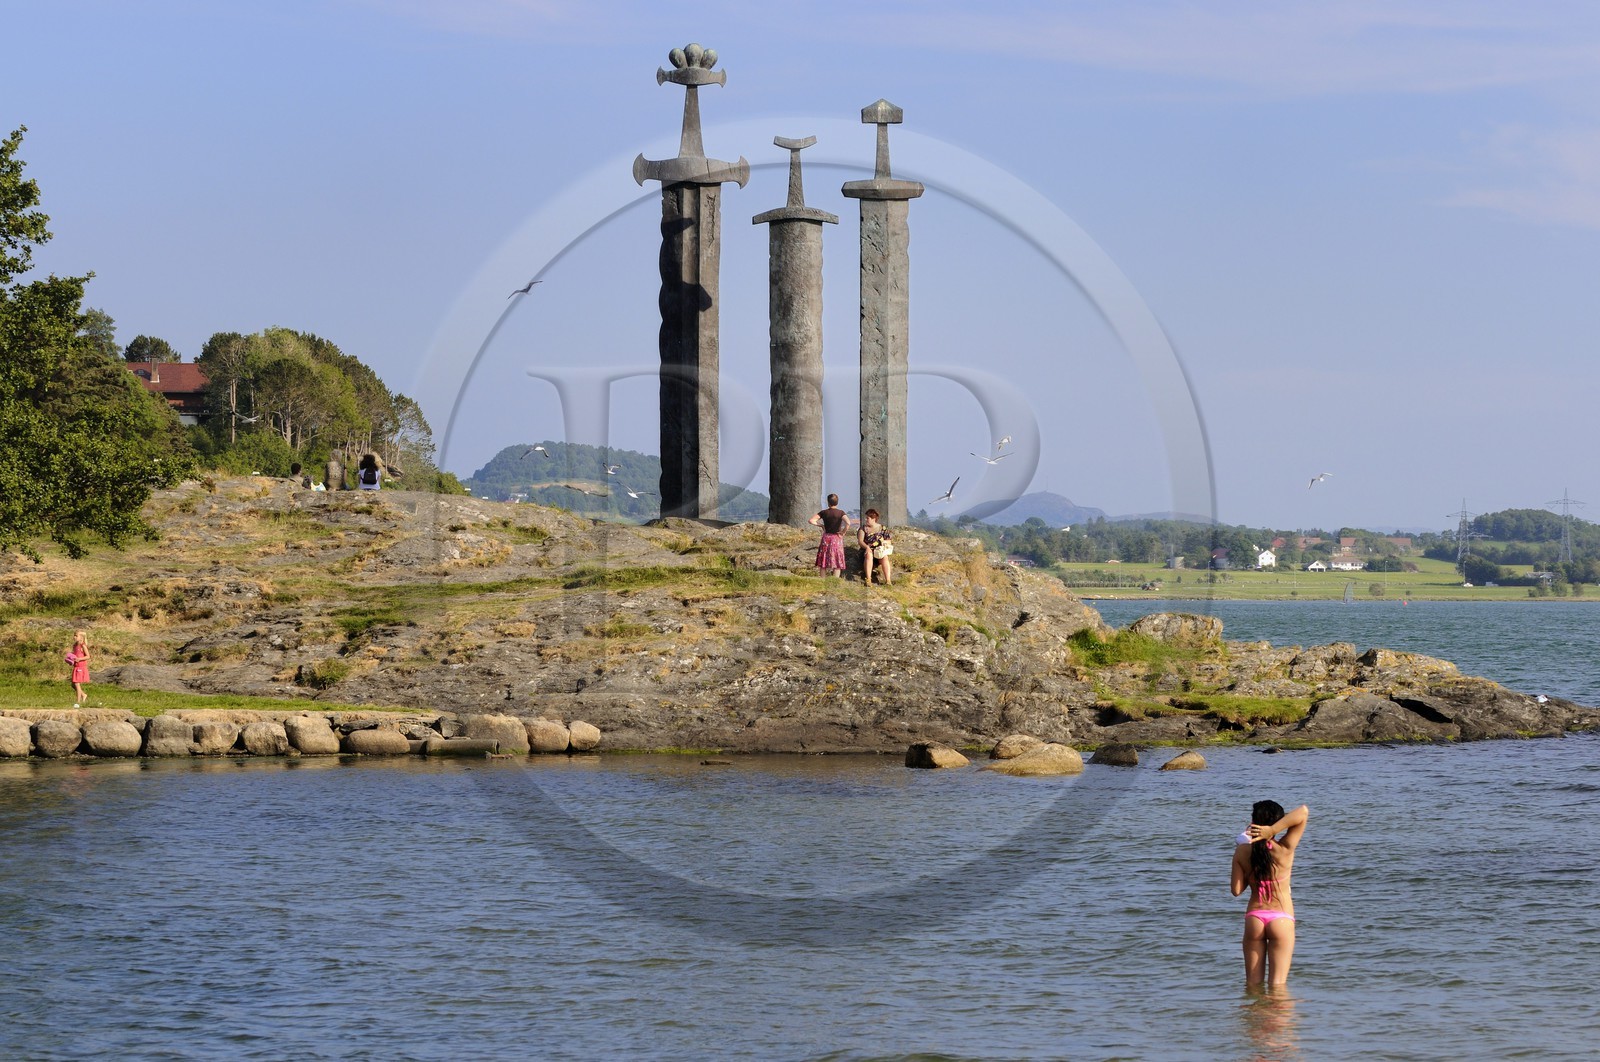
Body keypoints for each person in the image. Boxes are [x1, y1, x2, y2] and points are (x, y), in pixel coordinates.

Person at [1231, 801, 1309, 986]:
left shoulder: (1242, 851)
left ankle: (1253, 1014)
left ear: (1253, 822)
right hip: (1281, 918)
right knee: (1277, 986)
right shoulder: (1285, 850)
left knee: (1252, 985)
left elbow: (1236, 891)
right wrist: (1272, 831)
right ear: (1278, 822)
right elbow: (1303, 812)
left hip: (1255, 918)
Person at [809, 493, 851, 577]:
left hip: (826, 537)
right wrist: (843, 531)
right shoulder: (841, 512)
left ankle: (823, 580)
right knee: (837, 560)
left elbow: (811, 520)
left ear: (828, 502)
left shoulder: (824, 512)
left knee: (823, 561)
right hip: (837, 538)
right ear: (837, 502)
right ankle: (834, 581)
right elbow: (848, 522)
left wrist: (821, 525)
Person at [858, 508, 894, 586]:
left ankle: (888, 580)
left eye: (868, 518)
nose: (866, 519)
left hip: (879, 551)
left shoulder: (882, 528)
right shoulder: (863, 529)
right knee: (869, 554)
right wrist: (867, 547)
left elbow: (889, 541)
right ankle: (868, 579)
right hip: (867, 550)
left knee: (885, 557)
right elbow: (860, 541)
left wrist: (883, 542)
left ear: (873, 518)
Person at [65, 629, 90, 707]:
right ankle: (83, 695)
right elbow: (75, 654)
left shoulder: (83, 645)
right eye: (74, 635)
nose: (74, 637)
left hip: (81, 667)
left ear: (81, 637)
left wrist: (80, 659)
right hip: (76, 666)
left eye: (76, 635)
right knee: (73, 684)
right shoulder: (75, 645)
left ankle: (78, 701)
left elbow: (88, 656)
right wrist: (71, 658)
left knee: (76, 683)